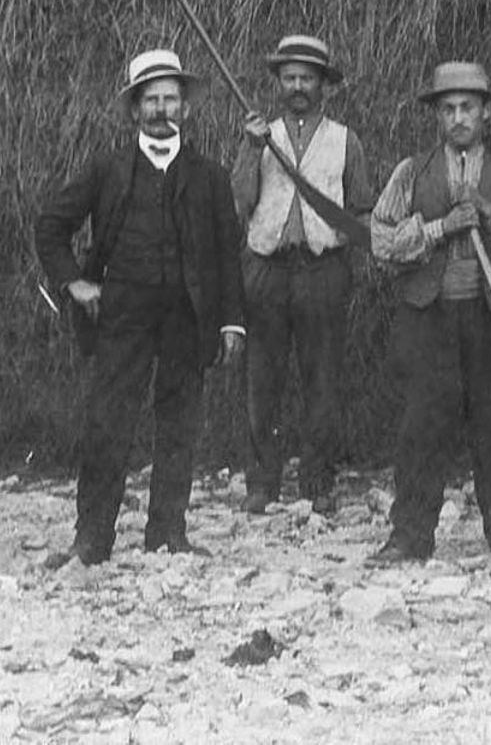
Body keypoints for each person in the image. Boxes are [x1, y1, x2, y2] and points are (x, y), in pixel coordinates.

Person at [34, 49, 246, 567]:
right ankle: (92, 538)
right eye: (150, 100)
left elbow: (227, 255)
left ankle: (167, 532)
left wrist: (231, 322)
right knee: (108, 423)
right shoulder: (106, 169)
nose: (161, 109)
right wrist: (74, 283)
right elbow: (51, 226)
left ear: (186, 108)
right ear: (134, 110)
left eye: (170, 99)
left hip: (186, 316)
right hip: (122, 313)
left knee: (179, 424)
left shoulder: (210, 177)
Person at [367, 62, 491, 563]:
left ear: (485, 112)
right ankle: (410, 536)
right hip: (430, 318)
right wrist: (440, 228)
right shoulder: (411, 173)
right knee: (421, 428)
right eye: (448, 109)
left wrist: (488, 212)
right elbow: (381, 240)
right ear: (437, 116)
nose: (458, 118)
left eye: (468, 107)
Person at [232, 34, 376, 514]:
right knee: (262, 381)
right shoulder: (259, 136)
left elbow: (361, 207)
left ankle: (317, 482)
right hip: (266, 269)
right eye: (290, 77)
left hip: (322, 270)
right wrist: (251, 150)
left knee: (323, 382)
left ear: (323, 85)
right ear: (278, 82)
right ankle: (262, 484)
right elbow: (240, 201)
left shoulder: (345, 140)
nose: (297, 86)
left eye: (307, 78)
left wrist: (349, 258)